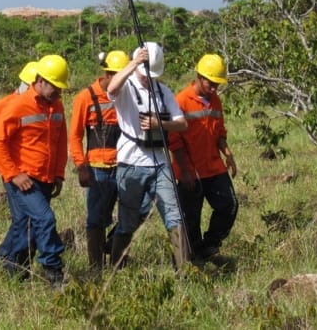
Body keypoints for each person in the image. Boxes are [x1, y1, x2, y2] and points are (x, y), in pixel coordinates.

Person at [0, 54, 70, 288]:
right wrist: (13, 173)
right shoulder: (19, 105)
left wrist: (59, 174)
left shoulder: (57, 105)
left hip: (45, 177)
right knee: (45, 219)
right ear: (41, 81)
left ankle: (12, 269)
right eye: (56, 86)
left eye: (62, 88)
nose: (59, 93)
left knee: (27, 225)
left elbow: (61, 141)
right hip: (22, 178)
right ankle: (54, 272)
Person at [106, 42, 190, 269]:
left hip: (160, 161)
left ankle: (184, 271)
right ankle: (116, 268)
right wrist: (133, 63)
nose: (147, 78)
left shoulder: (163, 90)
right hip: (131, 162)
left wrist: (159, 123)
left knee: (174, 214)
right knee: (128, 220)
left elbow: (182, 124)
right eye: (144, 73)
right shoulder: (127, 87)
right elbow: (111, 88)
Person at [169, 54, 238, 264]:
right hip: (191, 172)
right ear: (199, 76)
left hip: (214, 168)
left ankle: (209, 245)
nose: (215, 88)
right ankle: (193, 261)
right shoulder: (180, 101)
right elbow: (175, 141)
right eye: (211, 82)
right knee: (191, 219)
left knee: (229, 205)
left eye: (218, 84)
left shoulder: (215, 100)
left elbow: (220, 133)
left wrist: (228, 154)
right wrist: (186, 172)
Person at [68, 50, 128, 271]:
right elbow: (74, 136)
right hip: (97, 169)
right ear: (108, 73)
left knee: (133, 211)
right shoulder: (85, 98)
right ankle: (96, 268)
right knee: (96, 219)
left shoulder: (126, 96)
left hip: (124, 166)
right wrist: (81, 166)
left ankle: (115, 252)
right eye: (118, 76)